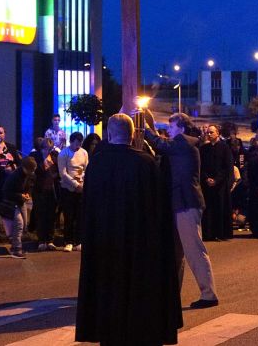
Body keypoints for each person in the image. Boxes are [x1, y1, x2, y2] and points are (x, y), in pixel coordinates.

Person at [76, 113, 182, 346]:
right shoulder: (145, 163)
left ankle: (108, 330)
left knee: (109, 289)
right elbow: (159, 211)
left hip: (105, 242)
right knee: (137, 291)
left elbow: (88, 208)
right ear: (133, 134)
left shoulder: (97, 164)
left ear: (109, 134)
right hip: (139, 244)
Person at [144, 109, 219, 309]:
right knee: (180, 252)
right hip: (182, 202)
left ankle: (209, 294)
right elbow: (162, 144)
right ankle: (175, 292)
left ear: (182, 128)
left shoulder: (183, 143)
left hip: (186, 202)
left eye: (171, 126)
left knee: (194, 250)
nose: (168, 129)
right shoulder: (183, 144)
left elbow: (160, 144)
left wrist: (144, 127)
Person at [199, 125, 234, 241]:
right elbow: (201, 166)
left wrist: (217, 180)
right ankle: (209, 233)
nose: (209, 135)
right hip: (207, 184)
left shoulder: (225, 148)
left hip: (220, 185)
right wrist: (206, 178)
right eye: (208, 133)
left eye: (211, 132)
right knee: (208, 209)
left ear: (217, 133)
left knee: (220, 208)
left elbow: (227, 167)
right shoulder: (204, 148)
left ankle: (221, 233)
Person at [0, 156, 37, 258]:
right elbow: (6, 191)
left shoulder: (28, 175)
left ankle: (14, 242)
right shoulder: (14, 177)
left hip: (20, 201)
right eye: (31, 170)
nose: (32, 172)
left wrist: (27, 194)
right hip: (11, 202)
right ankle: (16, 249)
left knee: (24, 225)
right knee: (19, 223)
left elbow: (29, 187)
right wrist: (20, 196)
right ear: (24, 168)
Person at [58, 131, 89, 252]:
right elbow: (63, 173)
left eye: (80, 143)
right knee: (69, 216)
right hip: (68, 188)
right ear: (71, 141)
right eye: (76, 143)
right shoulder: (64, 153)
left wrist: (82, 182)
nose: (78, 145)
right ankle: (68, 241)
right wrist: (75, 184)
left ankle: (79, 240)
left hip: (81, 187)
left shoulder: (84, 152)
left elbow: (86, 169)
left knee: (80, 215)